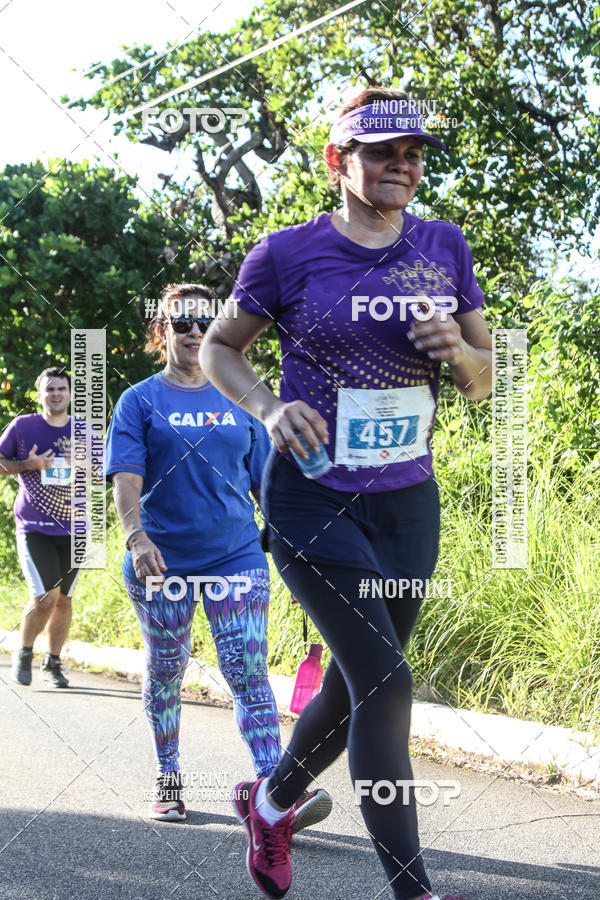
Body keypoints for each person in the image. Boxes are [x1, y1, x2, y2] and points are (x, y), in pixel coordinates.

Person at [200, 87, 491, 900]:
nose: (402, 165)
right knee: (387, 683)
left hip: (407, 501)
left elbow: (485, 379)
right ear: (338, 159)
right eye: (382, 152)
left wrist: (457, 351)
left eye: (414, 154)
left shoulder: (443, 245)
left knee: (358, 678)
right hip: (311, 494)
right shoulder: (287, 253)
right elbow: (222, 347)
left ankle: (270, 802)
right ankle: (413, 888)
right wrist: (268, 408)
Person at [105, 283, 332, 829]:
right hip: (161, 560)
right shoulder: (139, 400)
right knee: (166, 669)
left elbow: (265, 486)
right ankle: (168, 776)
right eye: (180, 322)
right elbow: (126, 479)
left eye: (204, 323)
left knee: (247, 670)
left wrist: (299, 548)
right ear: (162, 331)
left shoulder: (243, 398)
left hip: (236, 556)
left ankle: (274, 792)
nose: (193, 332)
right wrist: (136, 537)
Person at [1, 367, 78, 689]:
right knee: (46, 596)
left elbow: (108, 472)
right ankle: (24, 652)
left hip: (74, 529)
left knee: (64, 600)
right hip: (34, 526)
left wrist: (84, 464)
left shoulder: (83, 430)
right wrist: (27, 465)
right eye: (49, 389)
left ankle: (53, 662)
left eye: (61, 388)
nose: (55, 394)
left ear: (70, 394)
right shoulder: (23, 427)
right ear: (39, 395)